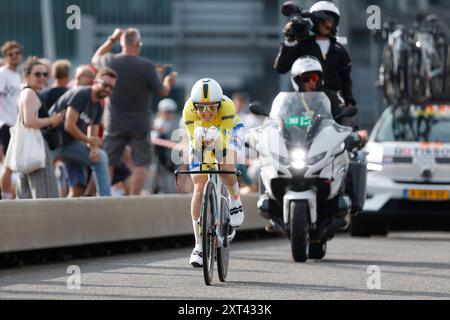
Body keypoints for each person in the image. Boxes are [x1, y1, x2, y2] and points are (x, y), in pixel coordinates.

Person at [92, 28, 177, 196]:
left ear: (122, 43)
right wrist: (168, 82)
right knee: (141, 163)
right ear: (138, 45)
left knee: (109, 160)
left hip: (114, 121)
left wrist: (112, 39)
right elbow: (162, 92)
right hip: (140, 123)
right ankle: (134, 198)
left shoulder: (110, 61)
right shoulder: (146, 66)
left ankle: (104, 196)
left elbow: (95, 59)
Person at [183, 78, 245, 267]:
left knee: (226, 163)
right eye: (201, 108)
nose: (206, 112)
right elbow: (196, 146)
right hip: (201, 137)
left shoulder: (228, 108)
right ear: (195, 106)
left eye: (211, 107)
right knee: (199, 184)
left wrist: (215, 141)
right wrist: (202, 143)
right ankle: (198, 245)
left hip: (230, 131)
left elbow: (224, 147)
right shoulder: (188, 110)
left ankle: (235, 198)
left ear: (219, 105)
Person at [274, 1, 356, 107]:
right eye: (322, 20)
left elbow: (345, 78)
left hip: (333, 105)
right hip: (303, 102)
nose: (327, 24)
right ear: (314, 21)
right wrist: (289, 41)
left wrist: (349, 102)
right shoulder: (301, 45)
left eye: (330, 20)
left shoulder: (339, 49)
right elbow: (281, 68)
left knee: (348, 122)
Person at [52, 68, 117, 197]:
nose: (108, 90)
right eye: (105, 85)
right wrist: (89, 141)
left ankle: (106, 200)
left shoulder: (98, 106)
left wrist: (93, 148)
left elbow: (92, 134)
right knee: (46, 183)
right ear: (95, 82)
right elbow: (69, 126)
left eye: (111, 88)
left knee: (101, 157)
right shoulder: (81, 94)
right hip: (51, 141)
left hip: (69, 144)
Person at [15, 57, 65, 199]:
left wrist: (52, 122)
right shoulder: (29, 93)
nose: (42, 77)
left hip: (28, 147)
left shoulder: (27, 92)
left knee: (27, 195)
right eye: (37, 74)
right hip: (35, 148)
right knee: (44, 194)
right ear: (26, 76)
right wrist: (52, 119)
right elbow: (29, 121)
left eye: (45, 74)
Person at [0, 41, 23, 200]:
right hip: (4, 124)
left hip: (15, 125)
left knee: (14, 165)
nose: (14, 56)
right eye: (11, 54)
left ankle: (10, 197)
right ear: (5, 57)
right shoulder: (2, 73)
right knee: (8, 165)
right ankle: (6, 200)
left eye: (17, 53)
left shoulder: (17, 75)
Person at [150, 98, 179, 194]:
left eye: (171, 112)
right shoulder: (157, 123)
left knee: (170, 181)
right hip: (159, 157)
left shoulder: (175, 123)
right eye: (167, 111)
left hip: (170, 157)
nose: (169, 114)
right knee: (156, 179)